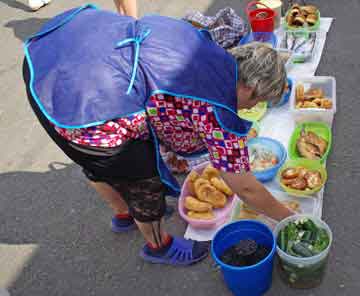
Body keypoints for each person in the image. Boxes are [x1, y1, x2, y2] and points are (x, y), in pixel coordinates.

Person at [23, 5, 293, 266]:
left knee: (95, 161)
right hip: (85, 101)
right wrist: (288, 217)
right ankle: (158, 246)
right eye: (258, 102)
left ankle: (123, 213)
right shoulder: (217, 108)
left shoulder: (209, 50)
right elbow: (244, 187)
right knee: (143, 182)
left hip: (52, 53)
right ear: (248, 88)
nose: (252, 109)